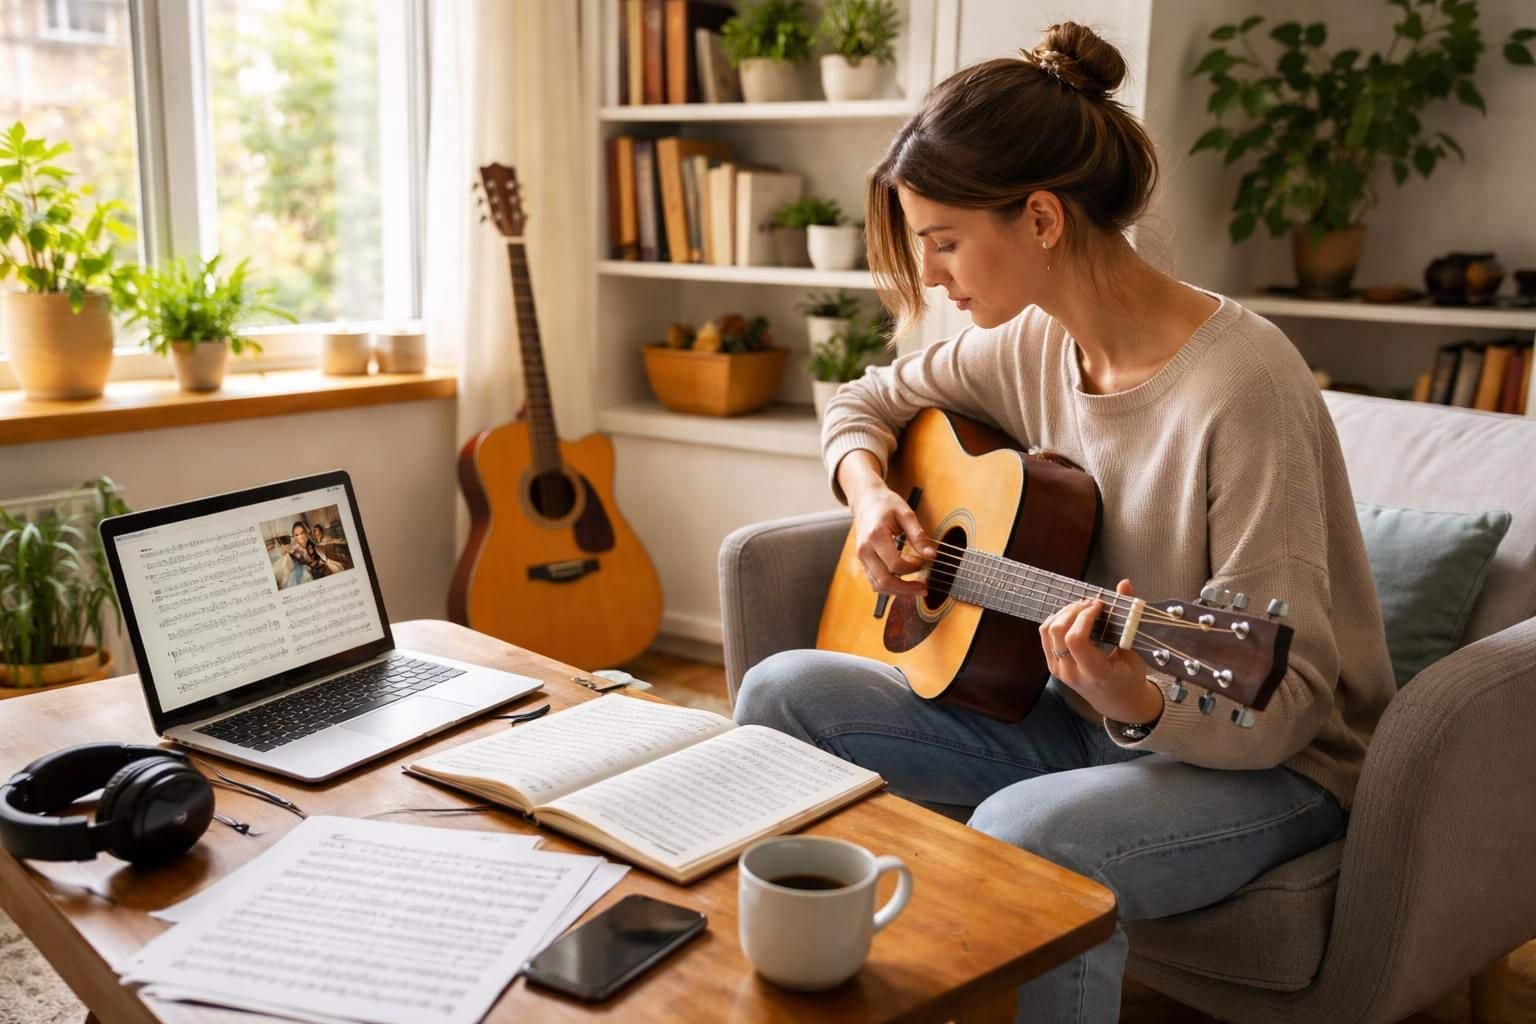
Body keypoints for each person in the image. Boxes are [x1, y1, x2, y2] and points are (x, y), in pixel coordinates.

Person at [731, 22, 1395, 1024]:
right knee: (781, 693)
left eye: (945, 243)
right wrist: (870, 494)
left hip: (1272, 765)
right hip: (1085, 718)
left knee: (1029, 834)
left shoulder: (1244, 388)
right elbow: (862, 399)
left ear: (1040, 217)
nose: (935, 277)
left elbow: (1289, 696)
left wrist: (1138, 698)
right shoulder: (1031, 344)